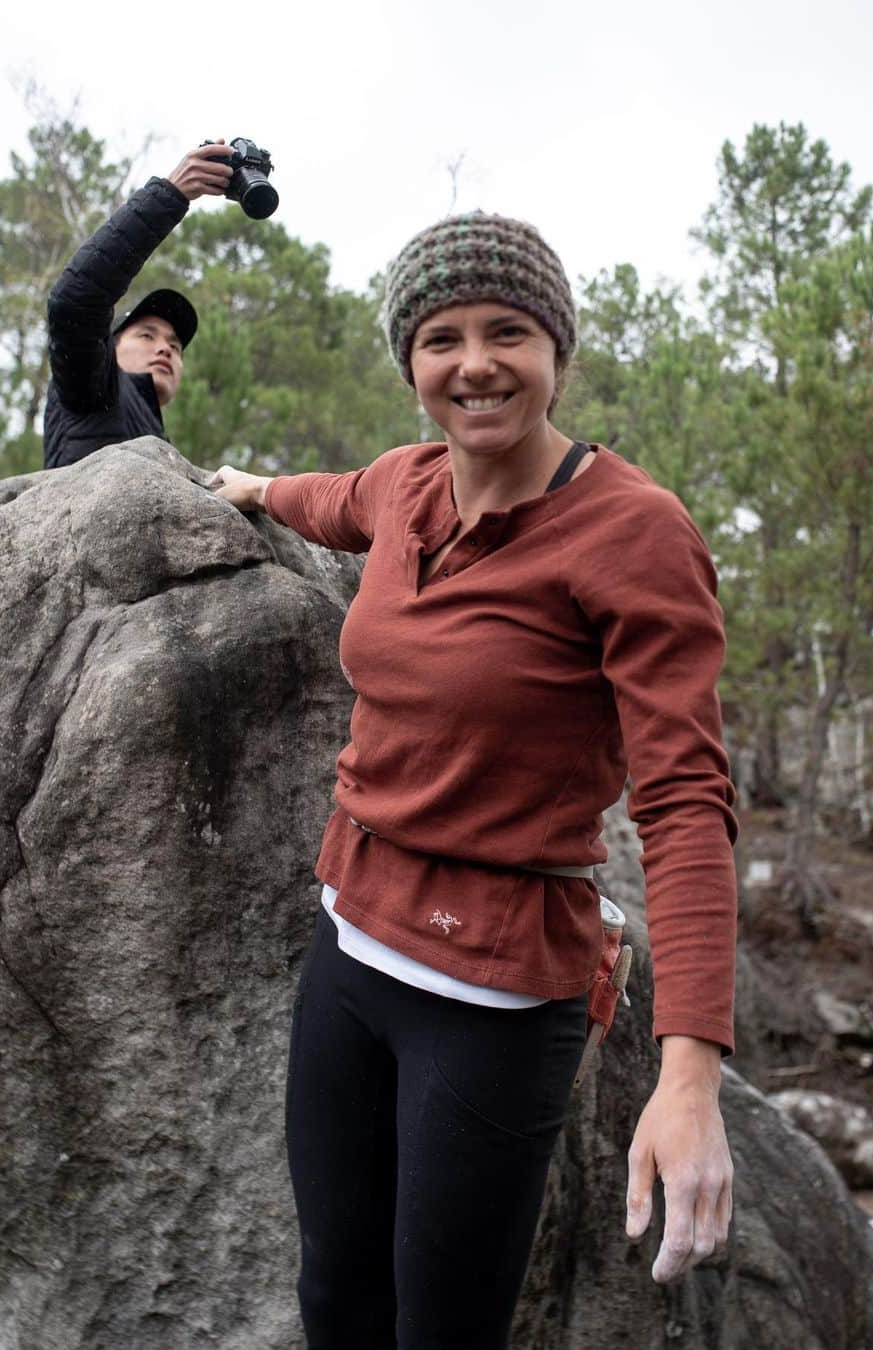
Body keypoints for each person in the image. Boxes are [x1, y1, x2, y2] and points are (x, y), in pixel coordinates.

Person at [212, 211, 738, 1350]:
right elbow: (329, 497)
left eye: (508, 331)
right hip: (348, 946)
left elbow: (686, 803)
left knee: (443, 1330)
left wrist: (689, 1072)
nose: (475, 363)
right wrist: (252, 487)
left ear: (558, 351)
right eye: (441, 337)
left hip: (493, 997)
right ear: (411, 362)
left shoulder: (634, 535)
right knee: (334, 1294)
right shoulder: (405, 490)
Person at [42, 141, 235, 470]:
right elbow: (75, 303)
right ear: (109, 348)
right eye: (147, 336)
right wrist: (172, 194)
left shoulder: (159, 439)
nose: (165, 350)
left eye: (175, 346)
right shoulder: (95, 389)